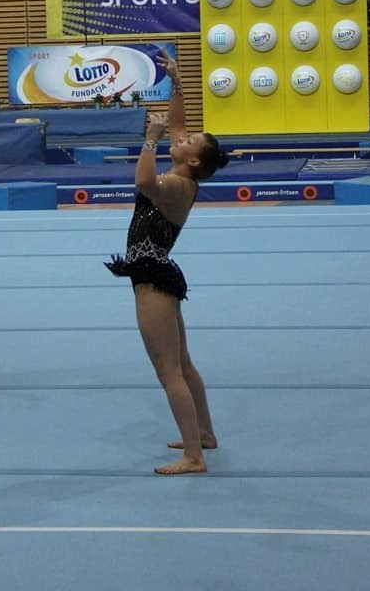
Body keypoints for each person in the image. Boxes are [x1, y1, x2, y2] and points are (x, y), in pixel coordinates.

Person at [106, 50, 228, 474]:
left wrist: (150, 139)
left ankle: (194, 457)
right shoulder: (184, 172)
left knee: (169, 372)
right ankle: (205, 435)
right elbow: (177, 124)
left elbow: (143, 180)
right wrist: (177, 82)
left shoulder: (177, 186)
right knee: (184, 364)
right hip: (156, 272)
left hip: (153, 280)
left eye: (189, 142)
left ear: (191, 160)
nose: (182, 136)